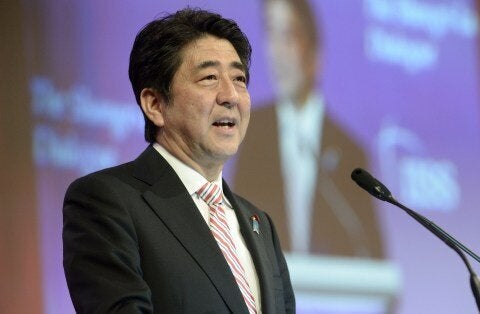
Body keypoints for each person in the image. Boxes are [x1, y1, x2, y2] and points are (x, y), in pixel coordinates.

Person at [62, 8, 295, 313]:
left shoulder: (259, 223)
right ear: (155, 104)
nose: (231, 96)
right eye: (209, 77)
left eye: (239, 79)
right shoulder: (106, 201)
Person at [233, 0, 383, 258]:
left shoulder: (350, 152)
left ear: (314, 54)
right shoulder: (250, 131)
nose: (277, 51)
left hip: (333, 295)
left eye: (288, 35)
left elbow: (372, 251)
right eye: (271, 33)